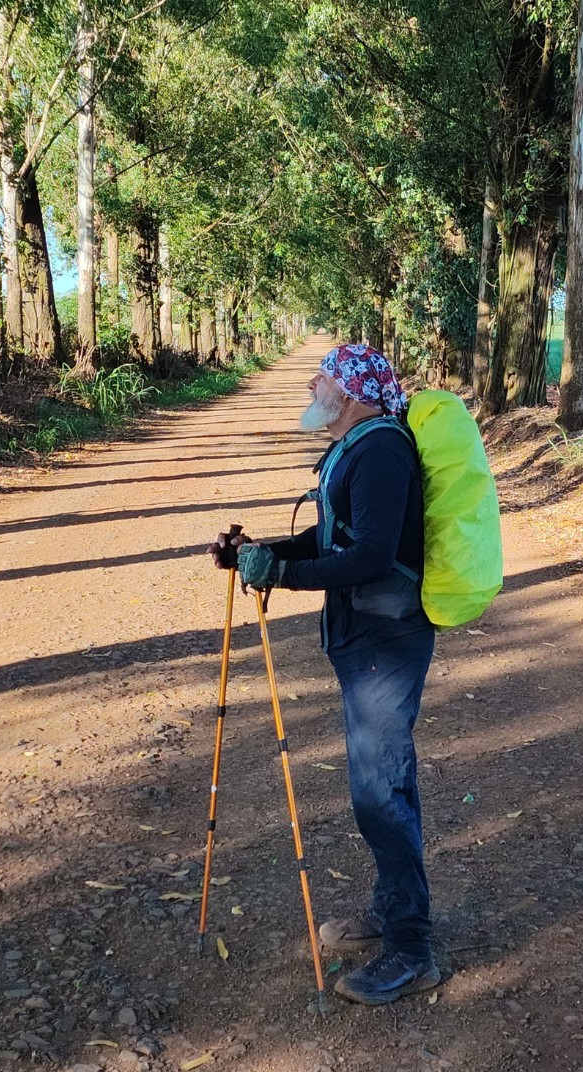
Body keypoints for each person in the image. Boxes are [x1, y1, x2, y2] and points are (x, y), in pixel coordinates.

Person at [208, 343, 440, 1007]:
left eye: (326, 377)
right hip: (365, 634)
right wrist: (263, 552)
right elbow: (332, 536)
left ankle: (413, 950)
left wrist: (282, 574)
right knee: (379, 787)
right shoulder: (360, 445)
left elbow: (367, 556)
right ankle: (393, 910)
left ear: (353, 390)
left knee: (381, 791)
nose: (314, 384)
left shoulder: (383, 450)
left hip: (387, 638)